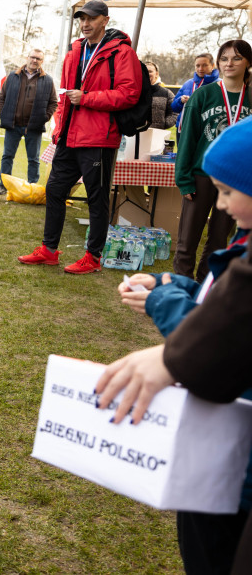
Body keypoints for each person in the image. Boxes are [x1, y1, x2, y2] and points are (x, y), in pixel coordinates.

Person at [98, 120, 252, 575]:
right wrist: (167, 280)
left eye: (226, 192)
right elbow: (218, 296)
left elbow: (217, 343)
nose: (220, 204)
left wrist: (163, 304)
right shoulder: (245, 241)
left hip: (235, 462)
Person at [18, 0, 142, 274]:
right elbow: (64, 96)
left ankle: (93, 257)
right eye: (82, 19)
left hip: (99, 137)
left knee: (97, 198)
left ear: (105, 21)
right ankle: (49, 250)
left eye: (91, 18)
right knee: (54, 191)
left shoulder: (122, 53)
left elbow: (129, 94)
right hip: (69, 137)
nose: (85, 24)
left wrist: (87, 98)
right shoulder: (74, 51)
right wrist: (59, 129)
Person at [173, 40, 251, 282]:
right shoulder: (204, 94)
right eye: (224, 58)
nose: (229, 63)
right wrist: (184, 179)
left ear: (248, 63)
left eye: (236, 58)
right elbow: (187, 140)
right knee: (188, 239)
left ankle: (205, 288)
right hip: (201, 177)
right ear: (218, 63)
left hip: (236, 181)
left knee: (219, 240)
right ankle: (183, 288)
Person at [0, 48, 57, 193]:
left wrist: (44, 118)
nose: (34, 61)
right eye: (32, 57)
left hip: (34, 127)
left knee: (33, 159)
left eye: (38, 59)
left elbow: (53, 102)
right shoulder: (13, 76)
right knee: (7, 156)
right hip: (13, 125)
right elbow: (1, 97)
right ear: (27, 58)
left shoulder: (47, 80)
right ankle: (3, 186)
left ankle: (32, 187)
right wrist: (2, 114)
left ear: (42, 62)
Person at [171, 52, 218, 129]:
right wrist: (181, 101)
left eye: (204, 65)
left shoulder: (220, 84)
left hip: (207, 129)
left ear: (212, 65)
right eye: (197, 65)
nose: (200, 69)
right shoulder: (188, 83)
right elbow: (174, 108)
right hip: (185, 128)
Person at [146, 61, 177, 130]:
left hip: (158, 135)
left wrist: (163, 124)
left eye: (150, 71)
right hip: (137, 135)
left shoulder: (166, 93)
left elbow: (175, 112)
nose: (147, 74)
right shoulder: (135, 92)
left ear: (156, 74)